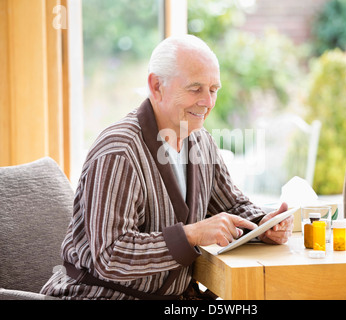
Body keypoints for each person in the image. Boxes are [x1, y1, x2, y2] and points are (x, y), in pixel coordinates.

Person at [40, 34, 294, 300]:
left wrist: (262, 225)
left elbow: (230, 205)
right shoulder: (118, 152)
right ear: (156, 86)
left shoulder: (200, 141)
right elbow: (111, 256)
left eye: (213, 89)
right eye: (195, 88)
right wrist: (192, 234)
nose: (207, 102)